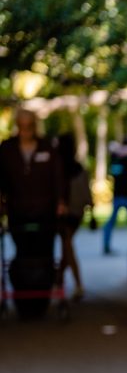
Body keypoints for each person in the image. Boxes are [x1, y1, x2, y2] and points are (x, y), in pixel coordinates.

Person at [0, 108, 66, 318]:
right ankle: (23, 300)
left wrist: (61, 202)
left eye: (29, 126)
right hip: (18, 210)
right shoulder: (7, 150)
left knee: (45, 254)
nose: (26, 130)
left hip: (44, 211)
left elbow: (58, 177)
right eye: (22, 126)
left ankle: (42, 299)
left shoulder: (48, 148)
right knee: (23, 253)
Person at [56, 134, 88, 300]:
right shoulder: (77, 169)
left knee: (67, 248)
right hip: (75, 214)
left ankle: (74, 283)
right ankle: (61, 280)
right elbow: (86, 195)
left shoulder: (62, 168)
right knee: (66, 249)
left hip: (69, 214)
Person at [102, 138, 127, 255]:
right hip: (121, 196)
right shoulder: (116, 159)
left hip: (126, 196)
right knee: (111, 223)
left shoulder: (124, 159)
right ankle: (106, 246)